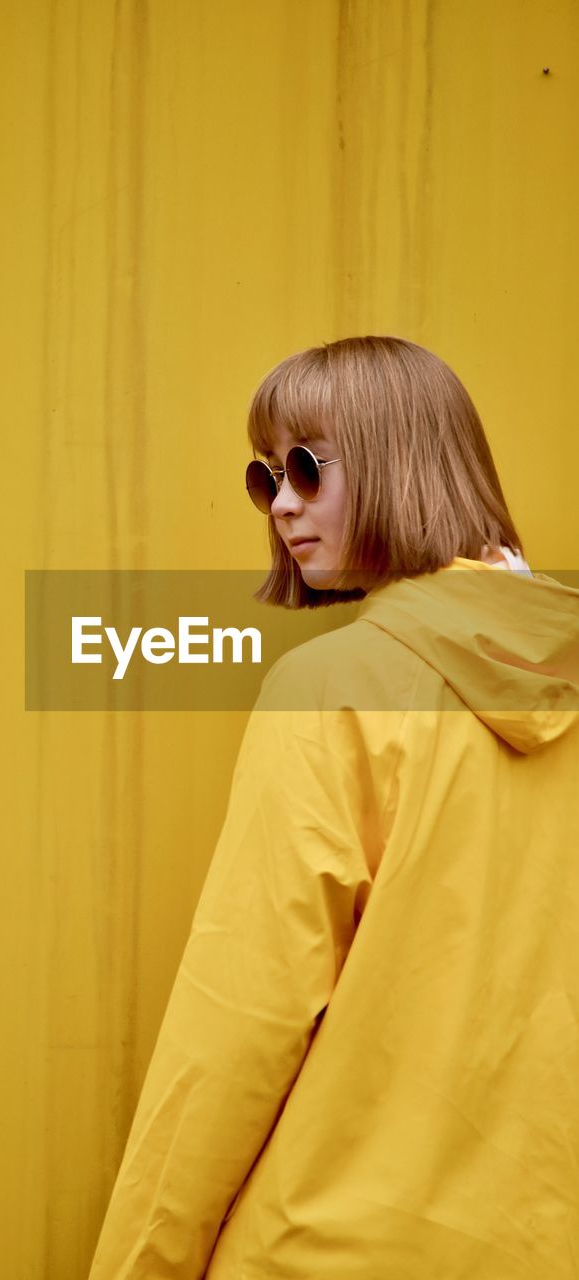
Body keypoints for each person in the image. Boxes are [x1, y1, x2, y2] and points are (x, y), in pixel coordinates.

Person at [88, 336, 579, 1278]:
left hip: (331, 1247)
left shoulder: (333, 684)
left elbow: (240, 1017)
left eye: (306, 468)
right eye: (266, 477)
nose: (280, 504)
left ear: (402, 459)